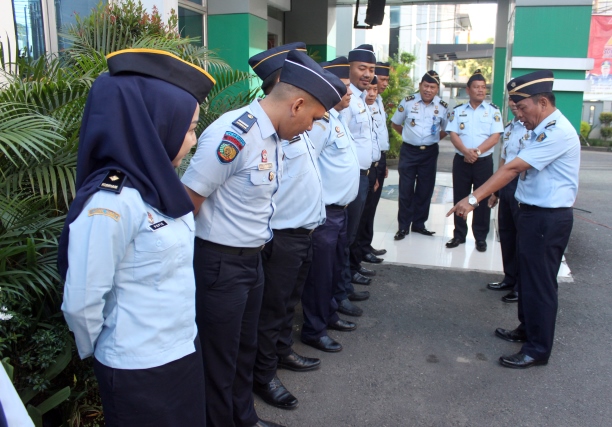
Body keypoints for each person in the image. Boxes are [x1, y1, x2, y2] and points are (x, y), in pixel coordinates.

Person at [182, 49, 345, 427]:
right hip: (220, 262)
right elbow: (187, 203)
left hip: (251, 258)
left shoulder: (273, 135)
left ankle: (245, 418)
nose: (311, 128)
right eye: (314, 119)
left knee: (244, 348)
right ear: (297, 104)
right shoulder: (234, 135)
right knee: (219, 356)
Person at [59, 49, 215, 426]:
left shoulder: (158, 186)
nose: (193, 141)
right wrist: (115, 347)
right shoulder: (112, 203)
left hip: (181, 350)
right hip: (138, 368)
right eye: (190, 128)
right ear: (154, 125)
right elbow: (81, 303)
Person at [447, 70, 580, 369]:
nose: (518, 115)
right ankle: (527, 329)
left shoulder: (556, 131)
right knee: (528, 279)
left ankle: (537, 349)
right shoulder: (540, 128)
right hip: (533, 214)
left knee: (540, 284)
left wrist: (472, 199)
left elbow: (511, 169)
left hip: (548, 219)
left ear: (543, 102)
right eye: (515, 109)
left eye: (522, 108)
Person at [247, 43, 326, 411]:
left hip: (303, 231)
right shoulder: (267, 131)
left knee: (286, 304)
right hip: (281, 235)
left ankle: (282, 353)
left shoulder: (298, 122)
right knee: (271, 310)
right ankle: (263, 376)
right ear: (281, 80)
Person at [301, 56, 361, 352]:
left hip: (340, 210)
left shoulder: (337, 118)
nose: (350, 93)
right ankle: (314, 329)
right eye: (344, 88)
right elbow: (306, 166)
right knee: (320, 275)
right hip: (325, 212)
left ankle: (329, 314)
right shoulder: (320, 123)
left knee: (335, 269)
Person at [337, 44, 378, 318]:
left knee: (350, 238)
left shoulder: (363, 98)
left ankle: (344, 286)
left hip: (364, 176)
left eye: (371, 70)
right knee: (344, 239)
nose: (367, 74)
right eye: (362, 68)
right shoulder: (346, 100)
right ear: (349, 68)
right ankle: (338, 295)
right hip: (349, 178)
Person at [445, 69, 504, 252]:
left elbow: (495, 136)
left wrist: (476, 152)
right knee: (460, 196)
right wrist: (465, 151)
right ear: (468, 89)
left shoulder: (493, 111)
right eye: (476, 87)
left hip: (483, 162)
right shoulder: (458, 111)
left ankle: (480, 237)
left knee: (482, 198)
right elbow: (452, 134)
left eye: (483, 87)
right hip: (462, 161)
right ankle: (459, 235)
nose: (480, 90)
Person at [391, 70, 448, 240]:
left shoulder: (442, 107)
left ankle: (419, 224)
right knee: (406, 189)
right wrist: (410, 137)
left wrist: (433, 139)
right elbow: (396, 124)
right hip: (409, 151)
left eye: (432, 87)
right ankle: (403, 226)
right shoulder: (408, 102)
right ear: (420, 86)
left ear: (437, 89)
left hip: (429, 152)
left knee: (425, 189)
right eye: (426, 86)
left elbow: (446, 129)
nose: (428, 90)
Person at [486, 99, 530, 303]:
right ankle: (509, 278)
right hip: (507, 185)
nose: (513, 104)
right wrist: (495, 190)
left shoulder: (534, 126)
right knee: (507, 233)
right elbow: (504, 159)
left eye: (518, 101)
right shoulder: (511, 126)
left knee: (523, 238)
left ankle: (521, 286)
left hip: (523, 183)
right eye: (511, 100)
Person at [363, 62, 391, 258]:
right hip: (368, 163)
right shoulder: (364, 102)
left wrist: (383, 161)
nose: (384, 84)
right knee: (366, 207)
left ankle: (366, 244)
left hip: (378, 158)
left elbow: (380, 135)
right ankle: (361, 249)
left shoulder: (379, 101)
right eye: (382, 79)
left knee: (372, 207)